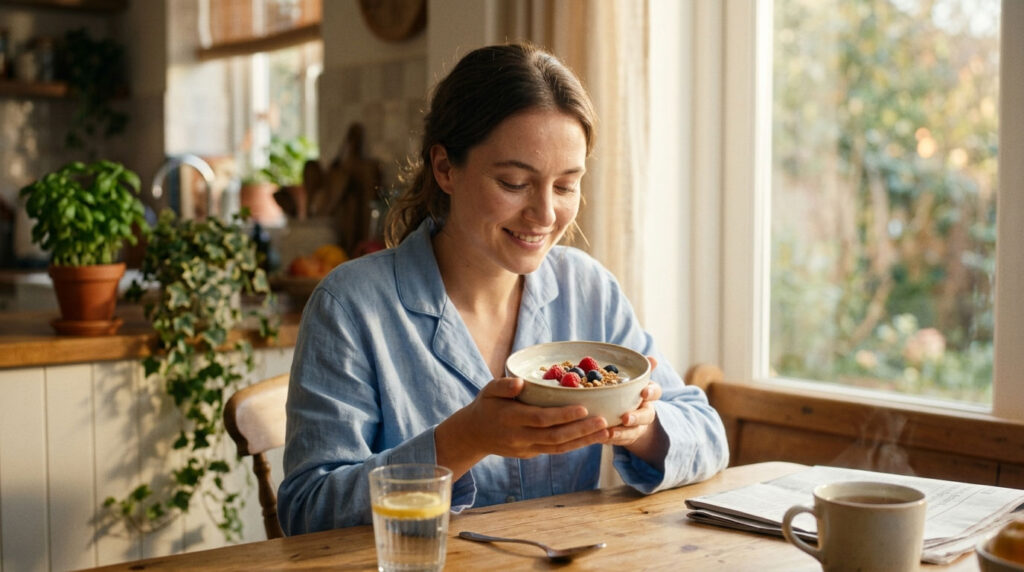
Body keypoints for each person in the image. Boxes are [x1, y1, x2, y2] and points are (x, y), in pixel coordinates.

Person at [277, 43, 729, 535]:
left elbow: (707, 434)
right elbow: (308, 510)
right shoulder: (351, 306)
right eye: (515, 182)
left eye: (565, 186)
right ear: (445, 168)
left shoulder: (587, 289)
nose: (546, 214)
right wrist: (462, 440)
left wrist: (643, 431)